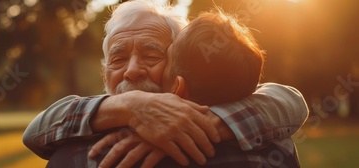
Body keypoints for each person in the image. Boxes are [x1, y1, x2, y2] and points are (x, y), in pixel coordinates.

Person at [23, 0, 308, 167]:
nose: (132, 71)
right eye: (118, 58)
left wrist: (203, 126)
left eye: (151, 54)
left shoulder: (77, 157)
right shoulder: (273, 147)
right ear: (103, 73)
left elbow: (288, 99)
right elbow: (34, 132)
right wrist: (129, 106)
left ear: (178, 62)